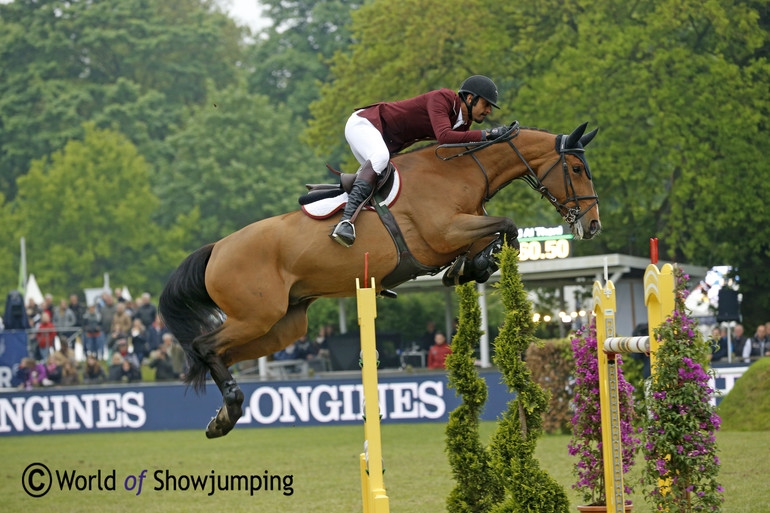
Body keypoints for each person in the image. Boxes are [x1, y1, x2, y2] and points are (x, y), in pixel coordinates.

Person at [330, 75, 507, 247]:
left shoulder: (462, 125)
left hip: (383, 140)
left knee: (386, 181)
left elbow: (453, 159)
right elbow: (444, 137)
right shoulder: (443, 98)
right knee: (381, 158)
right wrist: (488, 134)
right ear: (470, 98)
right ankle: (345, 222)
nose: (489, 111)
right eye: (486, 104)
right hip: (365, 124)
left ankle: (342, 210)